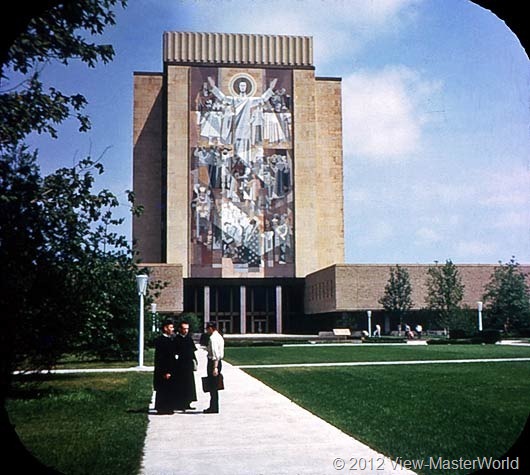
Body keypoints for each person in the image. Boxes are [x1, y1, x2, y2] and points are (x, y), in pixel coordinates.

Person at [153, 318, 178, 415]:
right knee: (163, 389)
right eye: (171, 327)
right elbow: (161, 358)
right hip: (163, 370)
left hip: (170, 369)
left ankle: (168, 407)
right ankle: (162, 408)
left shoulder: (170, 339)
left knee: (169, 389)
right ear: (165, 328)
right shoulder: (161, 341)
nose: (172, 329)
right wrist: (165, 371)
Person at [173, 320, 198, 411]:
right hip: (180, 365)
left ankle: (188, 402)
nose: (186, 330)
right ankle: (180, 403)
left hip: (188, 365)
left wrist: (195, 361)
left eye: (187, 329)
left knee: (189, 385)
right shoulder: (176, 339)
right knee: (180, 385)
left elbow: (192, 351)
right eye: (184, 329)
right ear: (180, 329)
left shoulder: (189, 338)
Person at [203, 321, 225, 414]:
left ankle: (213, 407)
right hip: (218, 362)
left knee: (213, 386)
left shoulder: (213, 338)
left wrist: (215, 367)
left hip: (213, 362)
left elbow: (215, 354)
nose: (207, 331)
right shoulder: (219, 336)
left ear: (211, 328)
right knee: (215, 386)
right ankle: (214, 406)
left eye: (207, 329)